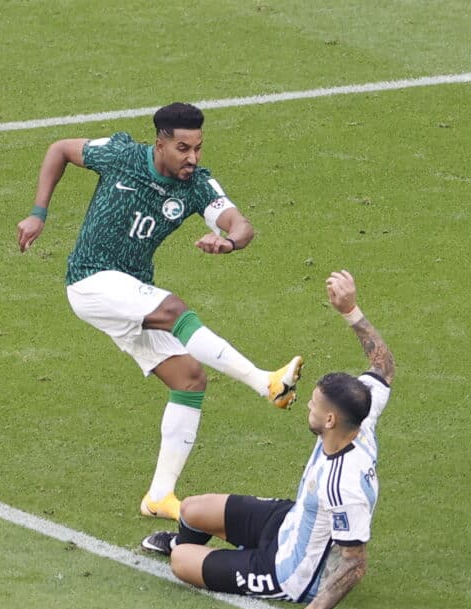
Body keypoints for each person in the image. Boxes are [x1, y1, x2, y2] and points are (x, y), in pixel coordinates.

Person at [16, 102, 303, 521]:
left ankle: (159, 497)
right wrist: (38, 213)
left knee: (189, 378)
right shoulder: (121, 156)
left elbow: (241, 224)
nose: (193, 158)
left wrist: (230, 242)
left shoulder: (197, 186)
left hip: (132, 293)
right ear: (161, 143)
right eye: (183, 148)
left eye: (199, 148)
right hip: (91, 281)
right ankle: (266, 383)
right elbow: (59, 148)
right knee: (174, 309)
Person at [141, 270, 394, 609]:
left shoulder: (345, 485)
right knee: (193, 510)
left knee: (181, 560)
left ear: (331, 419)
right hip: (289, 522)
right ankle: (226, 554)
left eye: (315, 406)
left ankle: (237, 563)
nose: (307, 405)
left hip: (286, 571)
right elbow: (383, 366)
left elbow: (355, 563)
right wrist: (350, 311)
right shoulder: (361, 418)